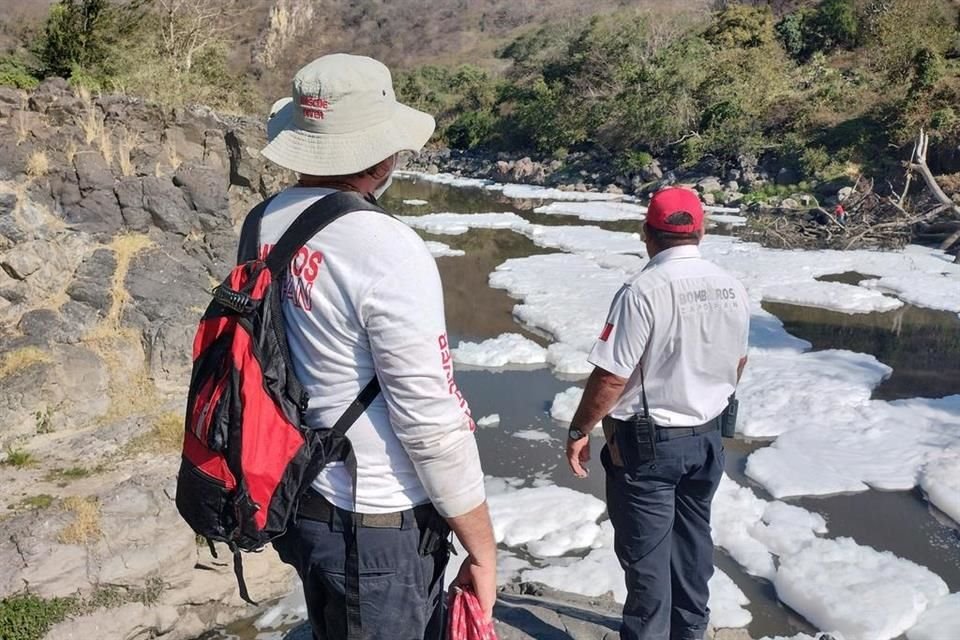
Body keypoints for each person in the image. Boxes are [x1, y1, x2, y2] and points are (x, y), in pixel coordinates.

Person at [255, 54, 497, 640]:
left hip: (301, 495)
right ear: (383, 153)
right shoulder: (385, 246)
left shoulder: (264, 221)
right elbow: (428, 418)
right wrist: (482, 549)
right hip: (376, 523)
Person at [564, 187, 750, 640]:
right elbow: (738, 362)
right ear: (701, 231)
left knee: (646, 557)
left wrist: (579, 429)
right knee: (692, 544)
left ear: (646, 233)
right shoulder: (732, 286)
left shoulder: (642, 290)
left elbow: (612, 377)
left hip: (648, 446)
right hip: (707, 437)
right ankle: (689, 632)